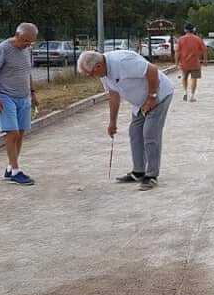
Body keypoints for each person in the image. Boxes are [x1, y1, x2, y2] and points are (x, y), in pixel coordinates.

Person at [78, 49, 174, 191]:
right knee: (135, 132)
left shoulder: (122, 62)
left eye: (90, 74)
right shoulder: (103, 73)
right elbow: (113, 95)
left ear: (98, 66)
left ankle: (151, 175)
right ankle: (139, 171)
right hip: (140, 101)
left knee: (150, 134)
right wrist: (112, 122)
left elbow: (152, 70)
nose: (91, 77)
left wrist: (152, 97)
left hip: (159, 94)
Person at [0, 22, 39, 186]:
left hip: (24, 97)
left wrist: (33, 93)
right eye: (26, 41)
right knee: (12, 133)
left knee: (21, 133)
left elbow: (27, 72)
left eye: (31, 42)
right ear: (17, 36)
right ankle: (16, 171)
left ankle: (10, 168)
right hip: (5, 96)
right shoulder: (3, 49)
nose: (28, 45)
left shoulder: (27, 50)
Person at [175, 23, 207, 102]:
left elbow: (177, 52)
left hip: (184, 63)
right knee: (194, 79)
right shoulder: (198, 39)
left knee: (184, 78)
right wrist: (205, 60)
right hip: (195, 63)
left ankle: (185, 92)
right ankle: (192, 96)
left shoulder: (180, 39)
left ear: (185, 30)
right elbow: (204, 50)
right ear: (194, 29)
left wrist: (176, 63)